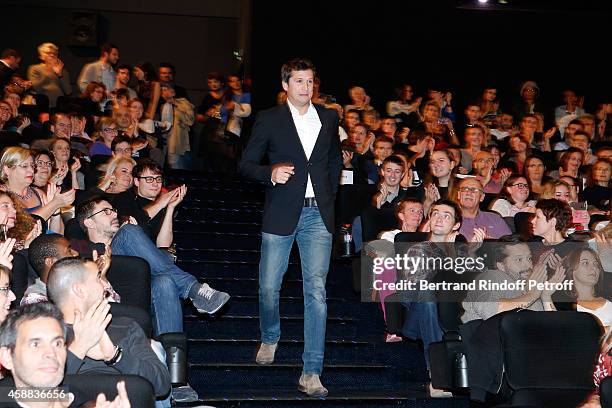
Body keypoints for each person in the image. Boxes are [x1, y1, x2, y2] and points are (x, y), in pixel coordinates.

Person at [239, 58, 342, 397]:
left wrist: (329, 196)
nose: (305, 87)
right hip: (282, 211)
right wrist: (270, 173)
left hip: (318, 215)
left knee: (316, 292)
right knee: (269, 286)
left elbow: (333, 161)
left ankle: (311, 371)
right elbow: (246, 164)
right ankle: (270, 335)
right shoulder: (269, 119)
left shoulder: (328, 117)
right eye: (298, 81)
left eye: (310, 81)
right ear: (285, 85)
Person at [75, 197, 229, 334]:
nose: (115, 214)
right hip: (113, 299)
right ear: (89, 222)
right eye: (106, 211)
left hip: (143, 300)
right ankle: (194, 289)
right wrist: (128, 234)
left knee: (165, 282)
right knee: (128, 232)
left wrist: (137, 235)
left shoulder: (130, 238)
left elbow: (165, 262)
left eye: (113, 210)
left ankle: (170, 357)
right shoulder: (80, 247)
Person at [462, 235, 562, 323]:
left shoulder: (531, 287)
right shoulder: (491, 277)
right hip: (495, 342)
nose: (528, 265)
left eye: (529, 258)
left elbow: (555, 329)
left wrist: (546, 295)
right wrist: (532, 295)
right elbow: (490, 311)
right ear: (501, 266)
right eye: (519, 259)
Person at [27, 43, 72, 108]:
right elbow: (35, 87)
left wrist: (60, 75)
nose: (52, 55)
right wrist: (50, 72)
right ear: (41, 56)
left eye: (55, 53)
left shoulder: (63, 71)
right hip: (42, 104)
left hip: (59, 105)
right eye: (48, 53)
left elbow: (68, 91)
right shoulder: (34, 68)